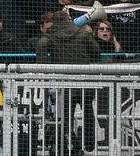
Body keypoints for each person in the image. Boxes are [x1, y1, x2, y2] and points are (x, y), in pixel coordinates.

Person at [36, 9, 100, 155]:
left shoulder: (51, 34)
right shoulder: (82, 33)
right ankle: (89, 144)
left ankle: (65, 146)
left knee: (65, 118)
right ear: (68, 19)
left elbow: (41, 44)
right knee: (88, 112)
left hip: (64, 85)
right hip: (84, 82)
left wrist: (42, 65)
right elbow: (96, 52)